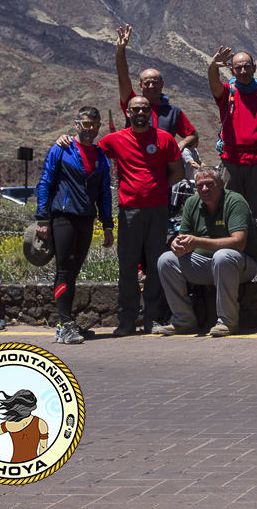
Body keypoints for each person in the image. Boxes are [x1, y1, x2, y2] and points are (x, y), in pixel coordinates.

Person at [95, 95, 184, 335]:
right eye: (136, 109)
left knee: (156, 265)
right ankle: (127, 319)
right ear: (128, 113)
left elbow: (178, 171)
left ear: (150, 113)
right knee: (127, 265)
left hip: (157, 210)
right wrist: (67, 141)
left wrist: (158, 187)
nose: (140, 113)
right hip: (129, 211)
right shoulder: (115, 140)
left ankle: (152, 318)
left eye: (145, 109)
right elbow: (90, 152)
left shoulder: (164, 139)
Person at [35, 106, 114, 345]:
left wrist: (108, 224)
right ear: (77, 124)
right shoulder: (62, 149)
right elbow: (46, 181)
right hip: (63, 217)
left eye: (95, 125)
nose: (91, 130)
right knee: (65, 269)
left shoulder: (100, 156)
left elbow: (104, 193)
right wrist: (42, 217)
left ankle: (67, 321)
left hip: (86, 218)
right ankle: (64, 324)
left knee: (74, 270)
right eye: (86, 124)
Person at [154, 166, 257, 337]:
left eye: (209, 184)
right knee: (166, 260)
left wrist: (197, 242)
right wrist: (177, 244)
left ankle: (228, 322)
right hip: (206, 266)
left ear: (221, 183)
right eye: (200, 186)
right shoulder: (191, 203)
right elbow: (185, 240)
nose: (204, 189)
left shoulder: (235, 201)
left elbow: (239, 243)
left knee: (223, 256)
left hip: (241, 265)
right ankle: (183, 320)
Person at [208, 47, 257, 272]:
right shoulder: (229, 92)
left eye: (247, 66)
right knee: (228, 209)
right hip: (231, 162)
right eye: (239, 68)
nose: (244, 71)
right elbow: (214, 85)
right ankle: (226, 258)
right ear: (232, 70)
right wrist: (212, 66)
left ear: (254, 68)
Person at [114, 24, 198, 151]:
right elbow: (123, 78)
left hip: (164, 165)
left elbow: (193, 136)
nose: (151, 86)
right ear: (140, 86)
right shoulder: (133, 104)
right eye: (147, 83)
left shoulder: (173, 112)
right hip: (136, 161)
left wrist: (181, 144)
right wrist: (121, 50)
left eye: (155, 82)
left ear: (162, 84)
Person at [0, 389, 48, 463]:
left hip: (14, 464)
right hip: (33, 465)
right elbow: (43, 448)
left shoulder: (9, 424)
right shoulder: (41, 423)